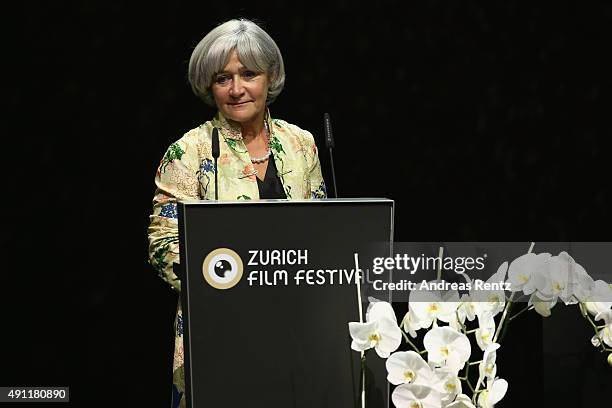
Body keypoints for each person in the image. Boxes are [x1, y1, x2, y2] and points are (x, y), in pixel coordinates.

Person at [147, 18, 326, 408]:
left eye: (248, 74)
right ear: (208, 86)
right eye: (223, 78)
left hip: (297, 333)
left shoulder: (303, 143)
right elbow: (163, 248)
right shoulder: (187, 151)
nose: (236, 89)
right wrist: (234, 284)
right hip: (219, 331)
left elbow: (324, 233)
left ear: (270, 77)